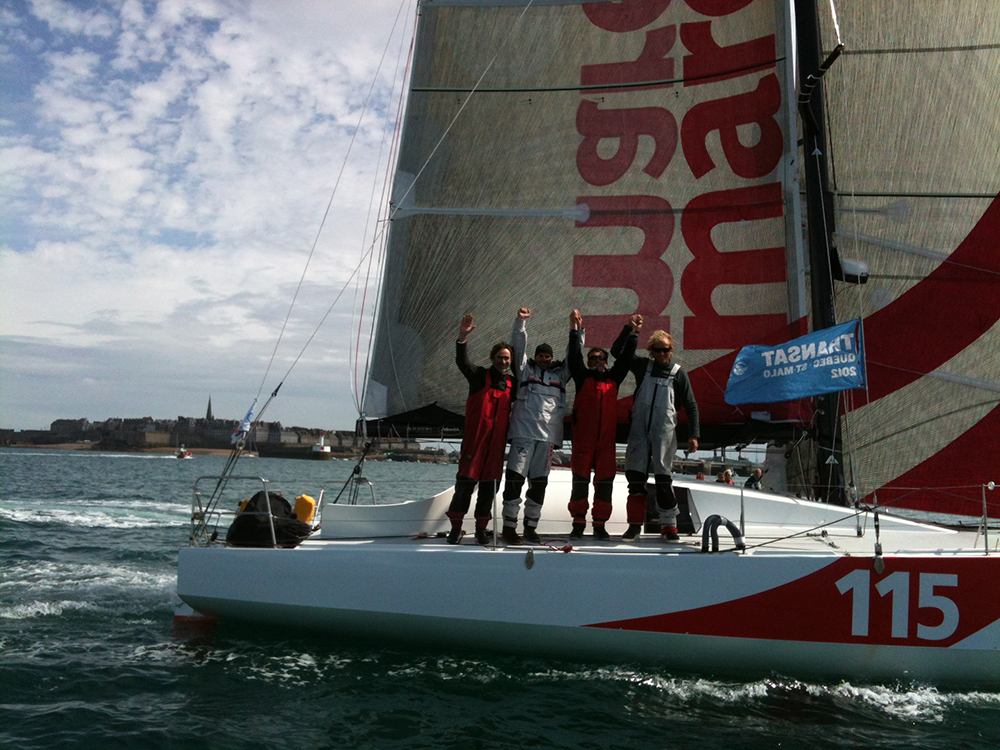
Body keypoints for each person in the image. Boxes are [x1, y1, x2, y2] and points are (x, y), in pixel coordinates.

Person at [614, 329, 699, 542]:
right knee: (635, 479)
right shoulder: (643, 366)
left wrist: (694, 435)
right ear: (651, 351)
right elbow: (617, 352)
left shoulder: (679, 373)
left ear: (671, 350)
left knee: (663, 479)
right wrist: (630, 331)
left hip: (664, 433)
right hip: (639, 431)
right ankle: (634, 525)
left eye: (666, 350)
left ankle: (669, 526)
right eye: (657, 350)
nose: (662, 354)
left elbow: (691, 405)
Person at [501, 307, 572, 545]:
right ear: (536, 357)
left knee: (539, 485)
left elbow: (574, 357)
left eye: (547, 356)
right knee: (514, 481)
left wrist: (576, 331)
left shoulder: (560, 376)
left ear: (551, 358)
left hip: (547, 438)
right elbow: (518, 348)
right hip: (523, 435)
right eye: (540, 355)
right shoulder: (525, 370)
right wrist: (520, 323)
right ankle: (509, 527)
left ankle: (531, 526)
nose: (544, 359)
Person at [566, 310, 639, 540]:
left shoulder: (614, 378)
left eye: (600, 358)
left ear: (606, 362)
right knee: (580, 482)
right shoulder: (581, 377)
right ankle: (578, 522)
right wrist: (574, 330)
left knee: (605, 484)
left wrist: (632, 332)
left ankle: (599, 524)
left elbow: (626, 359)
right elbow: (574, 356)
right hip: (583, 442)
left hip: (606, 443)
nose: (596, 361)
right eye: (592, 358)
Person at [445, 314, 514, 545]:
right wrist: (462, 337)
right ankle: (455, 529)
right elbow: (462, 362)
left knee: (489, 489)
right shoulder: (478, 376)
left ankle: (481, 530)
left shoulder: (512, 385)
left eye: (507, 358)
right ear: (493, 358)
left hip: (496, 447)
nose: (503, 362)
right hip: (475, 443)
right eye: (500, 358)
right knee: (464, 487)